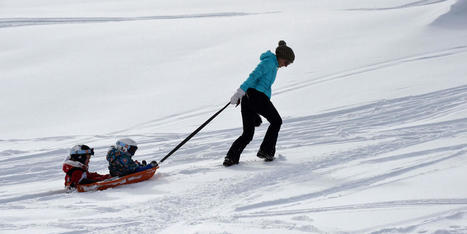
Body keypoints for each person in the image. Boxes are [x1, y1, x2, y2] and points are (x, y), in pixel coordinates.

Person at [224, 40, 295, 166]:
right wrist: (239, 91)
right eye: (287, 62)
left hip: (249, 98)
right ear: (281, 57)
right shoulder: (269, 63)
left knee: (248, 134)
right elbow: (253, 76)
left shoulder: (273, 65)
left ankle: (231, 158)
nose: (286, 65)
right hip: (257, 97)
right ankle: (266, 151)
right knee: (276, 121)